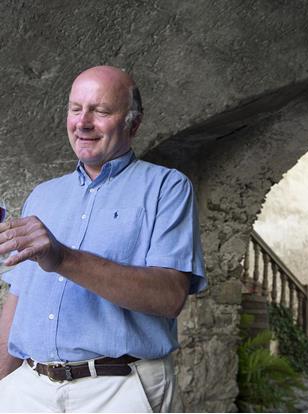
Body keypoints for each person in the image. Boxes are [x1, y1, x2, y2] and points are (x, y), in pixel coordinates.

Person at [0, 65, 206, 412]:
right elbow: (18, 300)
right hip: (28, 389)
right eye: (76, 109)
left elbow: (170, 297)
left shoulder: (166, 188)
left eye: (101, 111)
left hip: (119, 390)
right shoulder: (42, 196)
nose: (83, 122)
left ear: (133, 124)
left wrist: (63, 258)